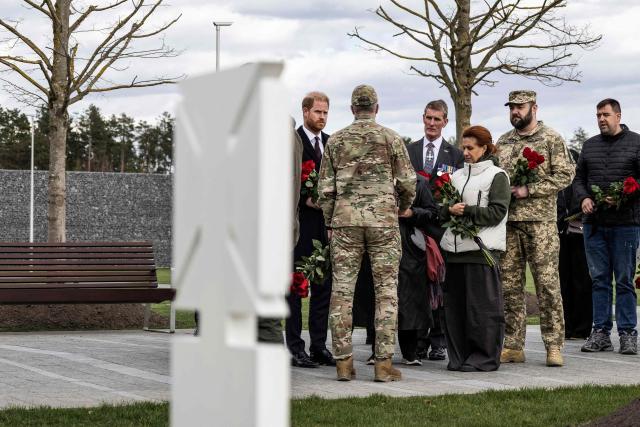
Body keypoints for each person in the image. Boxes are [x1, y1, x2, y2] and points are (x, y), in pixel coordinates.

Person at [317, 84, 416, 382]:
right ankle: (383, 364)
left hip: (345, 223)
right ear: (376, 108)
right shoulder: (391, 138)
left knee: (342, 292)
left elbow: (324, 189)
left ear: (351, 109)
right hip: (383, 224)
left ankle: (343, 363)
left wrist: (332, 220)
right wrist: (401, 208)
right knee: (386, 291)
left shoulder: (335, 141)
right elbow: (408, 182)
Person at [496, 90, 574, 367]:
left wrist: (531, 189)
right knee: (509, 287)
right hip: (509, 224)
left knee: (547, 285)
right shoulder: (503, 142)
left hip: (541, 223)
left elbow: (566, 174)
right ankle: (513, 344)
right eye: (512, 107)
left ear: (534, 108)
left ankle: (554, 345)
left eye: (520, 107)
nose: (515, 112)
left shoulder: (551, 138)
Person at [439, 125, 509, 371]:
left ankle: (484, 358)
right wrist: (448, 209)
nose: (465, 152)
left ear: (485, 148)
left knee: (481, 310)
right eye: (463, 147)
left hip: (482, 253)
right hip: (454, 253)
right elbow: (441, 209)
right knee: (456, 311)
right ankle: (459, 357)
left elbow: (497, 213)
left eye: (470, 148)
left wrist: (466, 210)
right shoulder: (455, 176)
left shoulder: (497, 176)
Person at [573, 99, 640, 355]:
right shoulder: (589, 146)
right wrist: (584, 198)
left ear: (618, 116)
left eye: (606, 114)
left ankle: (627, 334)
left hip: (626, 223)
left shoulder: (636, 142)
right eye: (598, 115)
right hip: (594, 225)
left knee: (624, 280)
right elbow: (579, 179)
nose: (601, 119)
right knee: (599, 279)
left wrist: (625, 195)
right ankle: (600, 332)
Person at [406, 99, 464, 361]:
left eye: (437, 119)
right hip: (414, 226)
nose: (431, 123)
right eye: (428, 118)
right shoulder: (409, 150)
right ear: (423, 118)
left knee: (441, 283)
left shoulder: (456, 155)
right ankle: (417, 340)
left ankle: (438, 340)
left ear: (445, 122)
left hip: (441, 227)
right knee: (416, 284)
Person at [286, 92, 335, 367]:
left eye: (326, 113)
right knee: (295, 286)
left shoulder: (330, 143)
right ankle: (295, 347)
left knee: (323, 287)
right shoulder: (293, 141)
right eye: (318, 112)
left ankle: (319, 345)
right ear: (305, 112)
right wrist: (304, 197)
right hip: (299, 225)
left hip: (325, 226)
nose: (322, 117)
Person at [396, 175, 438, 365]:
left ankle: (410, 352)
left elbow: (431, 212)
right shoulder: (377, 177)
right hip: (378, 243)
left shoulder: (419, 183)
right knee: (377, 297)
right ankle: (376, 350)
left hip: (410, 249)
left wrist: (412, 213)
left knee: (409, 300)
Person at [557, 149, 592, 340]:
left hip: (579, 233)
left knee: (582, 281)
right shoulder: (559, 180)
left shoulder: (581, 180)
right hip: (560, 234)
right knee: (563, 281)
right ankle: (567, 326)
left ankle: (582, 327)